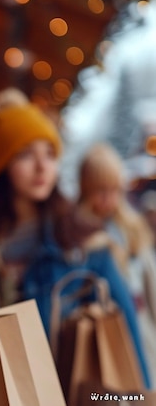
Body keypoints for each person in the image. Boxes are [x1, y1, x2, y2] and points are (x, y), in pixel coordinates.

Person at [0, 88, 151, 388]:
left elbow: (127, 337)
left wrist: (143, 396)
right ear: (4, 163)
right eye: (25, 154)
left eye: (49, 153)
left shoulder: (81, 239)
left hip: (75, 388)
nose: (42, 167)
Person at [77, 141, 156, 380]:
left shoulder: (131, 229)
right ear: (86, 191)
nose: (108, 199)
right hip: (110, 331)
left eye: (114, 190)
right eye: (100, 190)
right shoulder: (82, 236)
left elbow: (149, 283)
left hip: (143, 325)